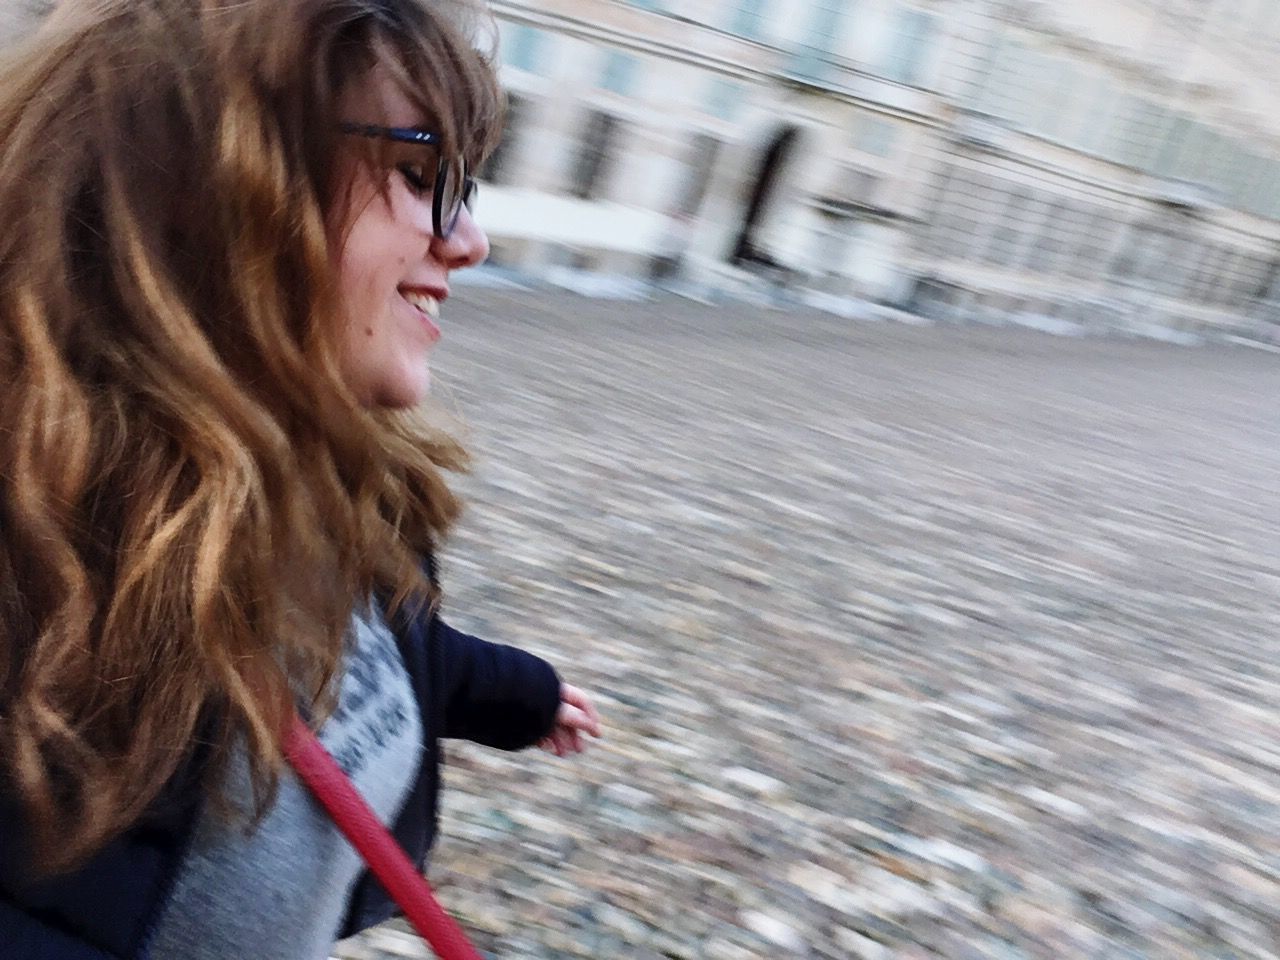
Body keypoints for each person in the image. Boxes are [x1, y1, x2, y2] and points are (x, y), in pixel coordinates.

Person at [0, 0, 601, 957]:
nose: (469, 239)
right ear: (211, 192)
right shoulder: (39, 579)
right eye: (416, 173)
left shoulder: (325, 470)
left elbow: (380, 651)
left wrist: (519, 696)